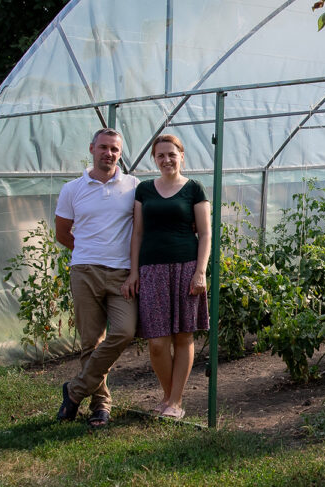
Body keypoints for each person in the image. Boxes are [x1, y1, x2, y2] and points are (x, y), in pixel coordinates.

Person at [54, 127, 139, 428]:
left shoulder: (133, 186)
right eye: (104, 147)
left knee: (124, 332)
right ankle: (101, 405)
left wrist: (132, 269)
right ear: (91, 149)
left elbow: (140, 231)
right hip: (85, 272)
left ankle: (75, 391)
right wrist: (88, 252)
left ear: (120, 153)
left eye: (115, 149)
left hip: (122, 275)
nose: (109, 153)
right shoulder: (73, 189)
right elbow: (62, 232)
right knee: (91, 342)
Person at [122, 134, 211, 420]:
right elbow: (137, 233)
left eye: (172, 154)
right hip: (151, 270)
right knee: (157, 341)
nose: (166, 160)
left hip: (186, 268)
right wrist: (134, 271)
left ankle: (174, 401)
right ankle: (168, 395)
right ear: (155, 159)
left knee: (183, 336)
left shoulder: (194, 189)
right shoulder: (144, 190)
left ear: (181, 156)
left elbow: (206, 233)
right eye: (160, 155)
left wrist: (200, 271)